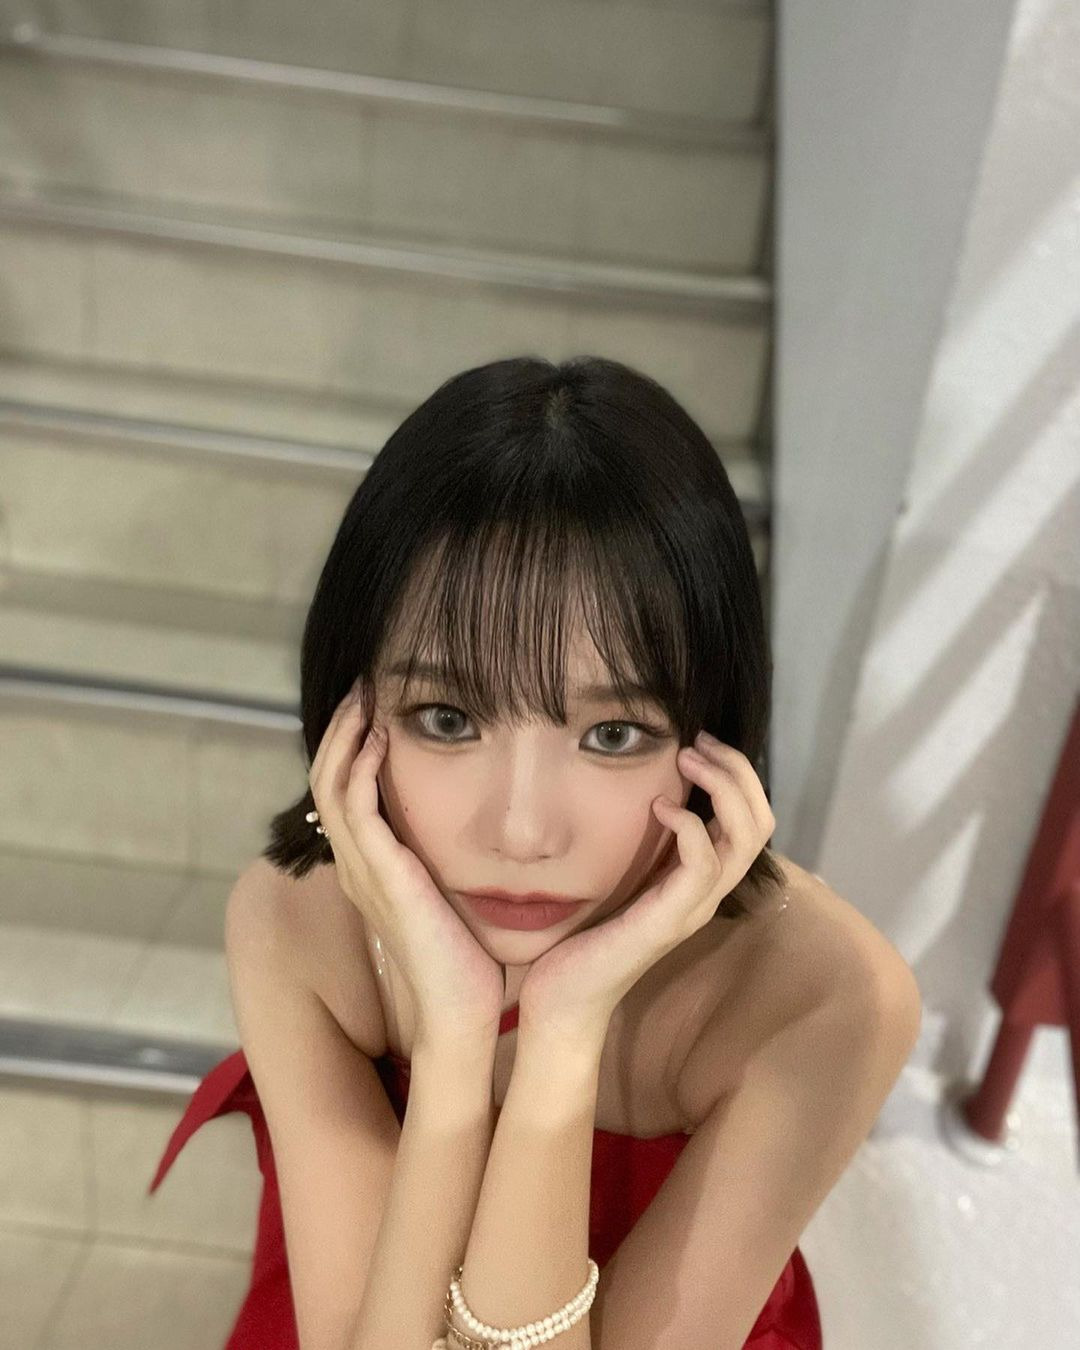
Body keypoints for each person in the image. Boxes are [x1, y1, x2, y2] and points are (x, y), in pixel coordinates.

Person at [149, 354, 836, 1349]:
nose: (520, 833)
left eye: (612, 735)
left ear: (714, 738)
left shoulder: (823, 996)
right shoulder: (298, 922)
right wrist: (457, 1040)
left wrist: (562, 1036)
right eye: (448, 718)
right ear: (353, 712)